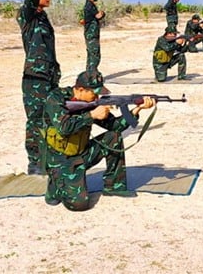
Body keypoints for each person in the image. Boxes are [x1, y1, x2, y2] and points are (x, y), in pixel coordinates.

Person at [43, 70, 156, 211]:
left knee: (113, 137)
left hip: (82, 153)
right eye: (94, 92)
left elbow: (115, 126)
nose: (97, 96)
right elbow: (64, 127)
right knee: (79, 205)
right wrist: (91, 115)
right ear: (80, 89)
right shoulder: (55, 98)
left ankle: (114, 186)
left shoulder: (92, 102)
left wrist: (137, 109)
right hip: (61, 161)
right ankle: (56, 183)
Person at [16, 0, 61, 175]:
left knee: (51, 118)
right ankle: (35, 163)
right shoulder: (28, 16)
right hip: (35, 80)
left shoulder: (43, 19)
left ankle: (48, 159)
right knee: (36, 121)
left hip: (49, 78)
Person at [83, 0, 105, 73]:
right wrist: (103, 13)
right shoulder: (90, 5)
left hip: (90, 33)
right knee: (94, 54)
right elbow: (98, 16)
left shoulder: (89, 4)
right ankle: (92, 74)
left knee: (91, 53)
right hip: (91, 34)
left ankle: (89, 74)